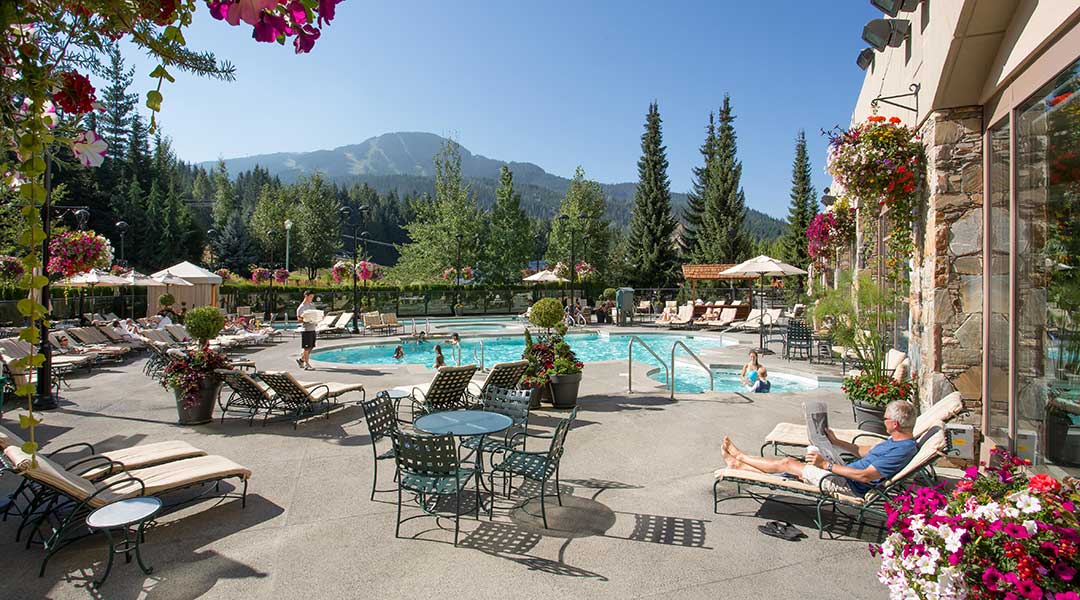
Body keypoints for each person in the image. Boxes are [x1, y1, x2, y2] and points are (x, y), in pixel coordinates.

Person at [721, 400, 919, 496]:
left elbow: (865, 476)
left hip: (847, 484)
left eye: (885, 418)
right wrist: (836, 442)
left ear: (894, 424)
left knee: (787, 463)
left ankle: (740, 457)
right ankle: (739, 466)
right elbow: (864, 452)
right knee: (794, 468)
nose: (883, 420)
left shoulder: (901, 450)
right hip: (845, 473)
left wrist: (826, 465)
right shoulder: (897, 441)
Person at [296, 290, 318, 370]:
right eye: (311, 297)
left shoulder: (312, 305)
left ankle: (301, 360)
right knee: (307, 348)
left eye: (312, 297)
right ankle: (307, 364)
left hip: (312, 328)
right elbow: (299, 319)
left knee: (311, 347)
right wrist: (306, 320)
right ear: (306, 296)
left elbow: (315, 315)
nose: (312, 298)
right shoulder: (301, 307)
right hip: (306, 329)